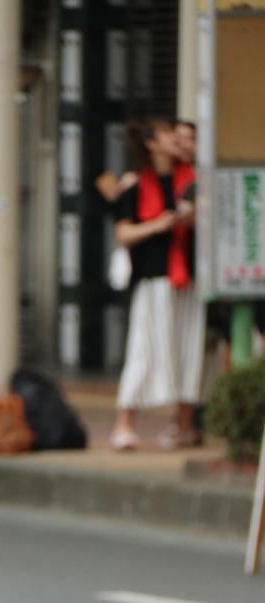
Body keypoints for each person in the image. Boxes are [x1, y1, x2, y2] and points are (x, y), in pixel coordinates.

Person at [110, 118, 201, 450]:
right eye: (167, 134)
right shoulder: (135, 184)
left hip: (188, 278)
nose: (174, 140)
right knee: (143, 349)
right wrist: (159, 225)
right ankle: (125, 423)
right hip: (153, 278)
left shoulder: (193, 179)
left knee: (188, 350)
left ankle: (184, 425)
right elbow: (123, 233)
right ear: (151, 143)